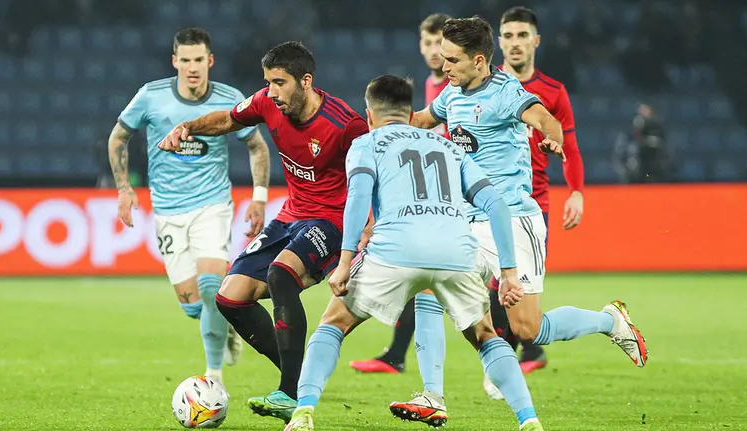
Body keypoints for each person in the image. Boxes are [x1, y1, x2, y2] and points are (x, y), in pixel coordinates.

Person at [390, 16, 648, 425]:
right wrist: (381, 120)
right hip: (467, 221)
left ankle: (609, 321)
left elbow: (545, 118)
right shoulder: (452, 93)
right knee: (428, 287)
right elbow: (422, 119)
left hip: (513, 220)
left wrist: (552, 137)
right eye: (443, 58)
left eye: (452, 60)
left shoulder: (506, 91)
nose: (444, 66)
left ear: (478, 60)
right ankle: (432, 395)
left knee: (528, 329)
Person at [284, 74, 545, 431]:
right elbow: (496, 205)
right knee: (486, 335)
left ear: (369, 115)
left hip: (395, 251)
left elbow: (358, 200)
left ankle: (303, 412)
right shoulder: (449, 147)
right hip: (456, 251)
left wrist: (344, 262)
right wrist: (509, 273)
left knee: (333, 323)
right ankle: (529, 420)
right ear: (411, 115)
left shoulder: (365, 144)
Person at [157, 41, 369, 424]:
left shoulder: (345, 125)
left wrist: (367, 230)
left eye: (279, 82)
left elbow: (374, 176)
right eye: (268, 82)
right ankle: (301, 378)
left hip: (331, 221)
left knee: (280, 274)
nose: (271, 91)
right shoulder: (266, 103)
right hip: (290, 215)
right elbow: (227, 120)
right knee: (230, 298)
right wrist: (187, 127)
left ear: (306, 81)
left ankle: (289, 392)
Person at [108, 27, 269, 385]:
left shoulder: (229, 99)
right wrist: (123, 188)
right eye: (185, 60)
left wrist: (259, 197)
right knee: (195, 307)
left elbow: (257, 145)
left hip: (212, 205)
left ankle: (213, 378)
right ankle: (227, 327)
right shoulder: (151, 96)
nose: (192, 67)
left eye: (198, 60)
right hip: (168, 210)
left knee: (213, 287)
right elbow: (119, 136)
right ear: (174, 62)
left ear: (210, 61)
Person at [349, 12, 453, 375]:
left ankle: (523, 345)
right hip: (435, 191)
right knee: (425, 281)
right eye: (428, 42)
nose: (434, 50)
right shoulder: (431, 85)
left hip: (456, 193)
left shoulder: (458, 87)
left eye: (440, 42)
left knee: (468, 284)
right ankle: (397, 355)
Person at [488, 5, 587, 383]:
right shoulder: (483, 86)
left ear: (536, 41)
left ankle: (509, 360)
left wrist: (576, 192)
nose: (515, 43)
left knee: (509, 291)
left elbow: (570, 146)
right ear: (499, 42)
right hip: (484, 203)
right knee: (485, 287)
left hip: (531, 206)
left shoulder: (553, 92)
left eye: (522, 35)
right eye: (508, 36)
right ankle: (517, 355)